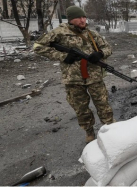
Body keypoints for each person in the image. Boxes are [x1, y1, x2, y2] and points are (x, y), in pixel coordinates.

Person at [33, 6, 115, 144]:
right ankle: (89, 132)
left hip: (94, 76)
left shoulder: (91, 34)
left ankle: (111, 129)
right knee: (81, 107)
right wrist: (62, 56)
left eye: (84, 17)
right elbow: (38, 47)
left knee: (103, 104)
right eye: (79, 18)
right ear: (71, 19)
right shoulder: (59, 33)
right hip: (73, 79)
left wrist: (100, 54)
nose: (83, 20)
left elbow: (108, 48)